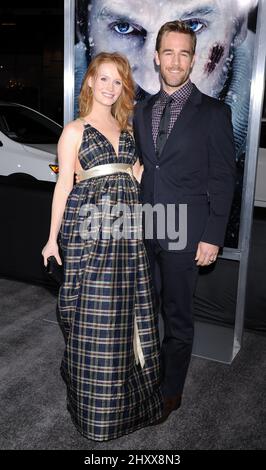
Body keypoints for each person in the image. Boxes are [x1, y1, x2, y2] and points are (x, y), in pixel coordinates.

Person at [42, 52, 163, 441]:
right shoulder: (74, 130)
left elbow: (133, 179)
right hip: (89, 236)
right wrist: (50, 239)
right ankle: (94, 412)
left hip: (127, 235)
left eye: (118, 82)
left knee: (126, 317)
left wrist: (142, 175)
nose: (111, 88)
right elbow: (64, 186)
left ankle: (126, 408)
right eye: (105, 79)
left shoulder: (127, 131)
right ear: (90, 81)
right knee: (93, 318)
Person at [133, 20, 236, 424]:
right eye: (168, 53)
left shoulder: (214, 113)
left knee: (177, 317)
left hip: (186, 234)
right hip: (144, 228)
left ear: (193, 60)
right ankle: (142, 380)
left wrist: (212, 236)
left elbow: (223, 178)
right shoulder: (141, 110)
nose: (175, 61)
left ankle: (170, 392)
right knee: (143, 310)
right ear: (156, 58)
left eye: (184, 53)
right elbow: (146, 165)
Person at [75, 0, 258, 158]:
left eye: (191, 26)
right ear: (82, 28)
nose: (153, 85)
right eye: (124, 27)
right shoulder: (74, 134)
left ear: (238, 26)